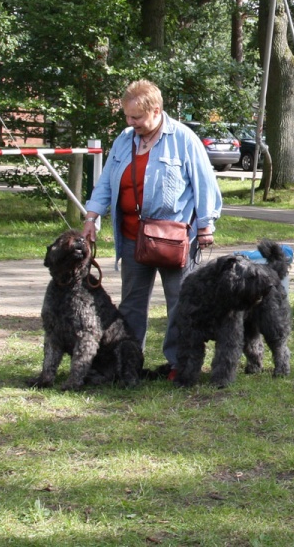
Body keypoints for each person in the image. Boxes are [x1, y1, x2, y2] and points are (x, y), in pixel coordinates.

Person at [82, 80, 222, 380]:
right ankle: (128, 364)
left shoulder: (183, 139)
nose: (131, 123)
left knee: (180, 305)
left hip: (175, 239)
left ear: (156, 111)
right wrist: (91, 216)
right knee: (131, 306)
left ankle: (178, 365)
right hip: (133, 238)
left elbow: (205, 184)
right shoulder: (124, 140)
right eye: (127, 117)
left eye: (137, 118)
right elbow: (107, 181)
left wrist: (206, 226)